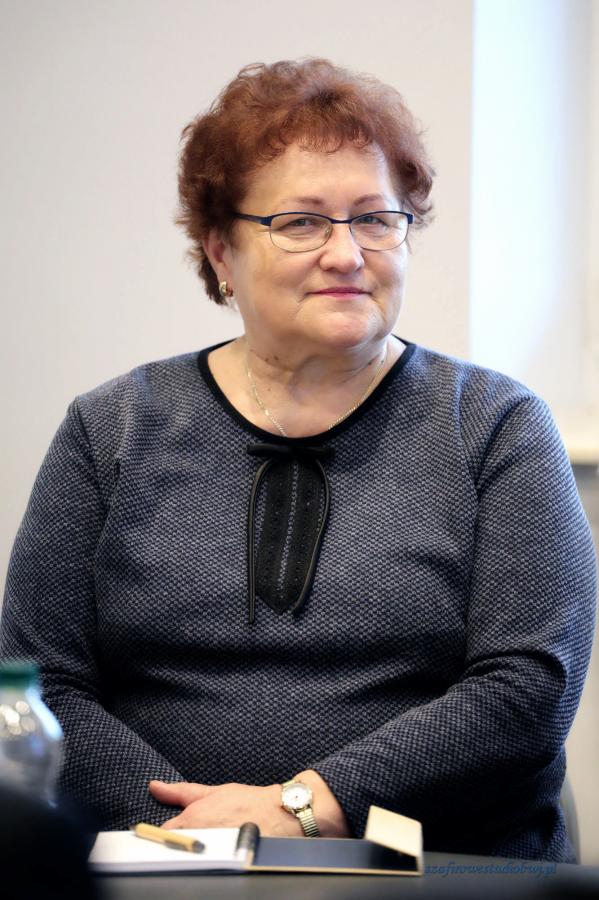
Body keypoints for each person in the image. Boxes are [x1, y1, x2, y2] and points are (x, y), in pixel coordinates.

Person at [0, 58, 596, 862]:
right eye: (302, 223)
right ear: (220, 251)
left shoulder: (494, 425)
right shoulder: (110, 429)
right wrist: (195, 835)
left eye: (375, 219)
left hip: (432, 867)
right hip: (158, 864)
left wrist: (306, 807)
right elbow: (35, 684)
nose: (346, 254)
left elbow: (527, 689)